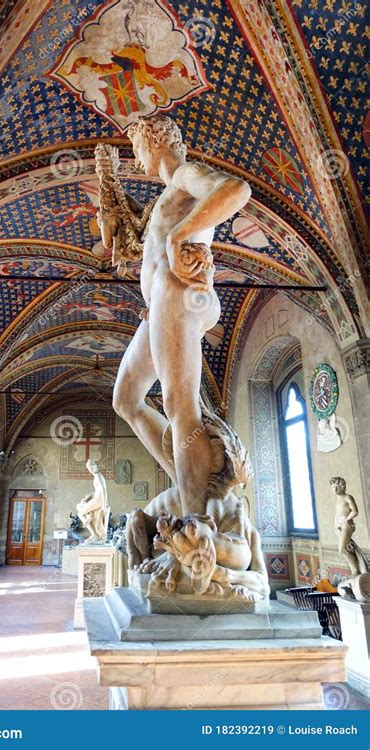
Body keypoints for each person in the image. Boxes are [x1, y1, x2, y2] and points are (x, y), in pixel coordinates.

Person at [99, 115, 251, 517]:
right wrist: (113, 209)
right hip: (158, 306)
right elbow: (135, 243)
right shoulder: (164, 198)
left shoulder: (185, 174)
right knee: (126, 400)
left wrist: (183, 235)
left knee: (179, 403)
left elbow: (235, 190)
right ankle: (198, 492)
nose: (135, 160)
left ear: (153, 143)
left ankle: (198, 520)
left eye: (136, 150)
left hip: (181, 292)